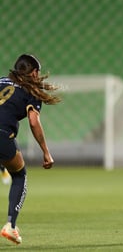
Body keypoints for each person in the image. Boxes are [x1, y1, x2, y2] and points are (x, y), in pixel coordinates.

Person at [0, 54, 60, 244]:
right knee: (19, 175)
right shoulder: (30, 90)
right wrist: (46, 152)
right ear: (34, 73)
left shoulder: (0, 80)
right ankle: (10, 225)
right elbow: (34, 122)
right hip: (2, 135)